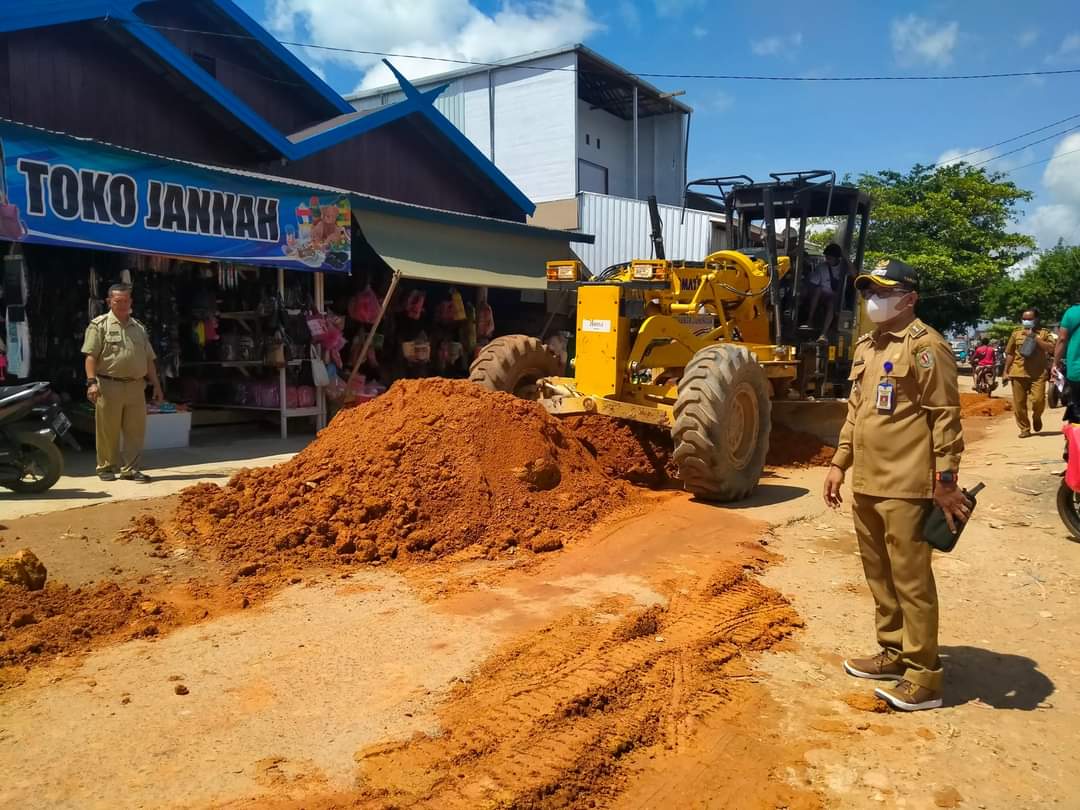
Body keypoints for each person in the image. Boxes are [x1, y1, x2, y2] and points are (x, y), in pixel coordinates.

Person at [823, 258, 968, 712]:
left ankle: (925, 678)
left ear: (909, 298)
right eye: (868, 292)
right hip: (867, 482)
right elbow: (855, 411)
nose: (872, 301)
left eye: (882, 293)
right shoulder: (868, 346)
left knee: (911, 582)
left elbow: (945, 417)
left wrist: (945, 482)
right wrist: (838, 463)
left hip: (907, 485)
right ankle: (893, 651)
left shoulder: (928, 348)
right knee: (879, 576)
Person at [82, 284, 164, 482]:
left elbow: (148, 360)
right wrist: (91, 383)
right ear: (109, 301)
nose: (122, 304)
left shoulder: (139, 328)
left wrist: (157, 385)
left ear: (131, 302)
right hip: (109, 385)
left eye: (126, 300)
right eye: (118, 301)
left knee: (135, 430)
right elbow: (90, 356)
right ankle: (106, 467)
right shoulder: (99, 325)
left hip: (136, 386)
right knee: (107, 429)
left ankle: (131, 469)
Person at [1004, 308, 1055, 437]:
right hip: (1018, 372)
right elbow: (1010, 353)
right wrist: (1005, 371)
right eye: (1024, 319)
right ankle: (1024, 428)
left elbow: (1051, 349)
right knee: (1019, 404)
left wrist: (1034, 338)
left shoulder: (1044, 333)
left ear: (1036, 319)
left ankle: (1037, 417)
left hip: (1037, 374)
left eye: (1029, 319)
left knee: (1039, 400)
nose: (1026, 321)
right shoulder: (1016, 334)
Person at [802, 243, 852, 341]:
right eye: (826, 257)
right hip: (821, 297)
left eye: (830, 257)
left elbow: (855, 274)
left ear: (838, 258)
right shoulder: (821, 267)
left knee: (832, 303)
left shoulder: (844, 268)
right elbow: (812, 284)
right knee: (818, 289)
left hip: (836, 299)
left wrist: (846, 258)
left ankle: (823, 334)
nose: (827, 259)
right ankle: (809, 320)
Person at [1054, 303, 1080, 416]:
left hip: (1077, 369)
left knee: (1077, 408)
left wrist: (1055, 363)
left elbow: (1062, 339)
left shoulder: (1072, 312)